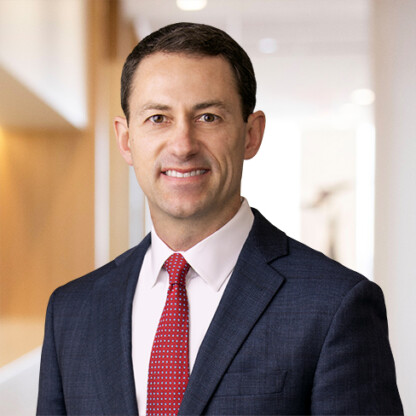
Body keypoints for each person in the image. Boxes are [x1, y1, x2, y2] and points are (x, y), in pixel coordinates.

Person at [37, 22, 403, 416]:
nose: (182, 145)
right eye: (158, 118)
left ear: (251, 134)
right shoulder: (71, 312)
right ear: (126, 140)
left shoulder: (335, 306)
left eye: (208, 117)